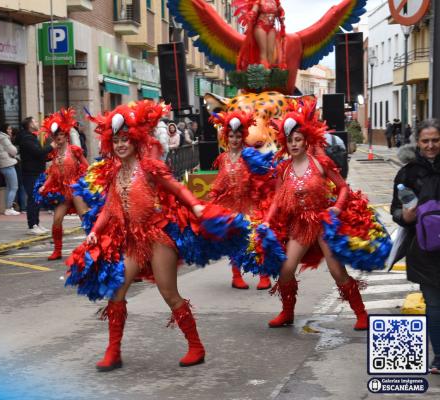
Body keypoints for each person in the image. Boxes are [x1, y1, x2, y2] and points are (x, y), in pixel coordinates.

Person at [66, 100, 252, 372]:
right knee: (116, 290)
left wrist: (197, 206)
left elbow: (176, 188)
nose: (120, 145)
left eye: (125, 139)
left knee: (169, 293)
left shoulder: (149, 168)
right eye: (116, 140)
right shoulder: (115, 172)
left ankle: (196, 346)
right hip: (132, 241)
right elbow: (109, 208)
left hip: (157, 238)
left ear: (135, 140)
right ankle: (113, 351)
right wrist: (94, 232)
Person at [264, 100, 389, 330]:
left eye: (298, 139)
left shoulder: (320, 163)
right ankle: (287, 312)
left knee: (337, 271)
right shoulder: (283, 169)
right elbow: (277, 199)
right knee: (286, 270)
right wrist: (265, 222)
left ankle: (361, 314)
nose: (294, 144)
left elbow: (342, 187)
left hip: (323, 223)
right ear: (285, 142)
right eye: (290, 140)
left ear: (306, 140)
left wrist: (337, 208)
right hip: (299, 226)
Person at [390, 119, 440, 374]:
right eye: (426, 141)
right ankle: (439, 358)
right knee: (433, 303)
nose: (431, 145)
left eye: (435, 140)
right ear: (418, 143)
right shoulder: (407, 173)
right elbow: (395, 211)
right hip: (423, 248)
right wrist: (405, 216)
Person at [208, 110, 273, 290]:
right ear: (226, 137)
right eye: (231, 136)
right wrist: (211, 205)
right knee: (235, 240)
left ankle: (264, 275)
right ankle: (236, 276)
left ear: (243, 135)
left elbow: (263, 177)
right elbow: (220, 183)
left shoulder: (250, 155)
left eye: (238, 135)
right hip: (231, 206)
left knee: (257, 239)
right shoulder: (223, 158)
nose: (235, 139)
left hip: (251, 204)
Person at [34, 108, 89, 260]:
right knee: (57, 219)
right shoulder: (55, 155)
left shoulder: (75, 150)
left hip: (76, 190)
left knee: (85, 219)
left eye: (60, 135)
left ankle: (93, 246)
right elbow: (53, 174)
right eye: (55, 136)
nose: (58, 138)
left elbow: (86, 166)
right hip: (63, 192)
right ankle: (57, 251)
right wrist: (45, 185)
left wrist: (86, 182)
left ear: (66, 136)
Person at [17, 116, 55, 235]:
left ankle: (37, 223)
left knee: (37, 198)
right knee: (33, 198)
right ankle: (32, 225)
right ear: (29, 125)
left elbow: (39, 155)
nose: (37, 123)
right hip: (30, 173)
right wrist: (51, 147)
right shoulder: (26, 139)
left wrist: (50, 156)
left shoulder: (32, 137)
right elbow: (38, 152)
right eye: (34, 121)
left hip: (37, 172)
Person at [236, 0, 286, 69]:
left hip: (271, 27)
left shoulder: (275, 2)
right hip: (260, 27)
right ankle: (265, 72)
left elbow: (281, 11)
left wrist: (282, 16)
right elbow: (253, 11)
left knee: (271, 52)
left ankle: (269, 71)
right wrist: (250, 15)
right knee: (263, 51)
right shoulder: (259, 1)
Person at [0, 123, 20, 216]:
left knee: (9, 187)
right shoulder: (4, 139)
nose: (10, 130)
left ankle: (8, 207)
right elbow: (13, 151)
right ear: (5, 129)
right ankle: (8, 208)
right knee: (14, 187)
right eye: (9, 129)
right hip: (8, 164)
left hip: (3, 165)